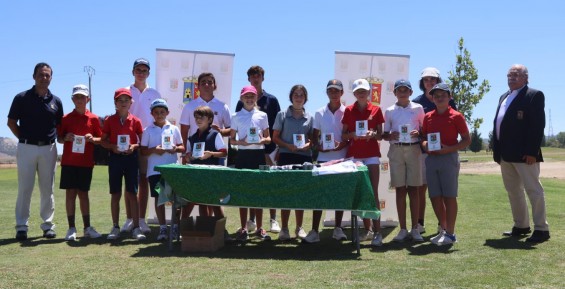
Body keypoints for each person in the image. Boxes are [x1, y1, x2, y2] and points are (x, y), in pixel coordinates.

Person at [493, 64, 550, 243]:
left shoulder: (534, 95)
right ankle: (521, 225)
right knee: (513, 191)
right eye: (509, 75)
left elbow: (537, 125)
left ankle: (541, 229)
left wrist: (532, 151)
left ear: (526, 78)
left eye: (516, 74)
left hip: (526, 155)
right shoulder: (504, 96)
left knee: (534, 191)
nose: (512, 77)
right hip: (505, 154)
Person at [8, 62, 63, 241]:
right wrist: (24, 138)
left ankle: (48, 225)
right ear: (34, 76)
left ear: (51, 78)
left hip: (49, 148)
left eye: (47, 75)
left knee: (48, 189)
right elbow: (11, 122)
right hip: (26, 148)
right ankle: (22, 226)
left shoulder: (56, 101)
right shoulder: (21, 98)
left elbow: (60, 126)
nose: (44, 78)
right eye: (41, 74)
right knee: (25, 188)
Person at [421, 83, 470, 246]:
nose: (439, 98)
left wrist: (449, 149)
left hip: (449, 158)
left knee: (449, 196)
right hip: (432, 159)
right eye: (436, 95)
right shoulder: (428, 116)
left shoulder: (456, 116)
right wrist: (424, 145)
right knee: (434, 196)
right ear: (432, 98)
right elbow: (423, 138)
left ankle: (451, 233)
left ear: (450, 97)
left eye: (443, 95)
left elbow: (466, 140)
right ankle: (443, 229)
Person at [235, 65, 282, 234]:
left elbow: (277, 126)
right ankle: (252, 220)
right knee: (250, 186)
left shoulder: (272, 100)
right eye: (252, 76)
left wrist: (275, 149)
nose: (256, 78)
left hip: (269, 150)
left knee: (269, 186)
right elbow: (238, 128)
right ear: (249, 79)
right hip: (249, 151)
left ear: (263, 78)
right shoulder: (240, 103)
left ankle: (273, 219)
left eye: (258, 76)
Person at [303, 79, 349, 244]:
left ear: (342, 93)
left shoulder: (347, 112)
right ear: (327, 92)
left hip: (342, 158)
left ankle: (338, 228)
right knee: (319, 195)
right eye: (331, 90)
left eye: (337, 90)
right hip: (323, 159)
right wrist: (318, 147)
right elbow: (314, 137)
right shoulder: (319, 112)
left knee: (339, 195)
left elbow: (348, 137)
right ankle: (314, 230)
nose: (334, 93)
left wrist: (340, 145)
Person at [412, 67, 456, 234]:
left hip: (445, 153)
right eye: (426, 80)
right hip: (424, 152)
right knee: (421, 189)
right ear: (422, 83)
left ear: (438, 81)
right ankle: (420, 223)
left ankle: (442, 225)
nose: (429, 82)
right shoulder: (416, 101)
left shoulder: (447, 99)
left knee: (442, 192)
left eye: (432, 79)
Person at [179, 72, 231, 216]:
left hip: (215, 161)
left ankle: (219, 230)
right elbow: (184, 131)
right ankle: (201, 225)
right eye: (203, 82)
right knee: (194, 196)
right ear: (198, 86)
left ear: (215, 85)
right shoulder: (190, 106)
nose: (207, 85)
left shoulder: (222, 106)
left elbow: (231, 130)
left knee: (213, 197)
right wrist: (184, 155)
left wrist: (220, 131)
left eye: (210, 82)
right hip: (195, 158)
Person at [341, 79, 384, 247]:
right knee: (359, 193)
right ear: (354, 93)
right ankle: (369, 230)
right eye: (358, 91)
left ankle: (378, 232)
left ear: (368, 92)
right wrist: (353, 135)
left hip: (372, 155)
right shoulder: (349, 110)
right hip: (355, 157)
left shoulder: (376, 109)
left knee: (373, 193)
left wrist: (373, 134)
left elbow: (381, 135)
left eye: (364, 91)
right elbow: (344, 135)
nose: (361, 93)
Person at [57, 84, 103, 241]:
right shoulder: (65, 119)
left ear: (88, 99)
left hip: (85, 162)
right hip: (69, 161)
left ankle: (87, 228)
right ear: (72, 99)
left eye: (82, 97)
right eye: (76, 97)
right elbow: (59, 138)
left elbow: (101, 139)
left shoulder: (94, 119)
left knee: (83, 194)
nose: (79, 99)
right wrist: (65, 138)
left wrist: (93, 139)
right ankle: (71, 228)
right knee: (70, 194)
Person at [122, 58, 162, 235]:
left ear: (148, 73)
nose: (141, 73)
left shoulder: (154, 93)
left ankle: (141, 220)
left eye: (144, 70)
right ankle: (130, 219)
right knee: (129, 181)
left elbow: (158, 116)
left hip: (148, 141)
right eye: (138, 69)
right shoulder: (125, 91)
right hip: (129, 141)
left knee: (144, 180)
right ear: (133, 72)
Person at [382, 79, 425, 243]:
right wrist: (390, 135)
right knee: (400, 190)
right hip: (397, 149)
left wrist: (418, 133)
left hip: (414, 149)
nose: (402, 92)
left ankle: (415, 229)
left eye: (405, 90)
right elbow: (385, 134)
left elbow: (424, 130)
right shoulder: (390, 111)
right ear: (395, 93)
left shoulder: (418, 108)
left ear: (410, 92)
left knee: (414, 190)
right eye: (399, 90)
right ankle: (402, 229)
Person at [102, 88, 146, 241]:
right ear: (115, 103)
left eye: (126, 100)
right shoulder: (109, 120)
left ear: (131, 103)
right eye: (120, 100)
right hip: (115, 159)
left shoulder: (136, 121)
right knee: (115, 194)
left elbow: (141, 142)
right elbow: (103, 140)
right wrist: (112, 147)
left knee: (132, 193)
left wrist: (134, 147)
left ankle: (136, 227)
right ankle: (115, 227)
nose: (123, 103)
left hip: (131, 159)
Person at [230, 85, 272, 241]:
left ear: (256, 98)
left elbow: (269, 138)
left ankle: (260, 228)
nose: (249, 99)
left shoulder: (262, 115)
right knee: (243, 192)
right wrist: (243, 142)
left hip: (258, 156)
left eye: (252, 96)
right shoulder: (235, 116)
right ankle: (243, 228)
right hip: (243, 155)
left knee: (258, 192)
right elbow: (232, 140)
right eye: (246, 96)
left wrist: (262, 140)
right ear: (241, 99)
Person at [272, 84, 313, 241]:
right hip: (286, 157)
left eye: (301, 95)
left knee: (300, 193)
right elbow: (275, 137)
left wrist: (307, 145)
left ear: (305, 98)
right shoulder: (281, 115)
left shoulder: (310, 117)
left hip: (304, 157)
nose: (298, 97)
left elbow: (312, 140)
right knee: (286, 193)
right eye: (295, 94)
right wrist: (288, 145)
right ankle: (284, 229)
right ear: (291, 97)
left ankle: (299, 227)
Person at [140, 99, 185, 241]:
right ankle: (163, 228)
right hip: (154, 171)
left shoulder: (174, 128)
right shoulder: (147, 130)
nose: (159, 115)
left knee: (174, 199)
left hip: (172, 170)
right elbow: (142, 150)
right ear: (152, 114)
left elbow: (182, 147)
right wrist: (154, 150)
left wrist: (175, 149)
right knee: (159, 199)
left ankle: (176, 226)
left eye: (162, 112)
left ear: (167, 113)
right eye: (156, 112)